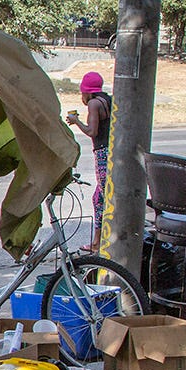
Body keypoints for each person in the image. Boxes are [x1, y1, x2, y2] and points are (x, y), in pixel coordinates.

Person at [66, 71, 112, 251]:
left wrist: (75, 121)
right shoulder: (107, 100)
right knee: (98, 198)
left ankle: (98, 243)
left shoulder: (94, 103)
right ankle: (97, 241)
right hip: (110, 152)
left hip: (103, 153)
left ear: (87, 91)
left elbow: (92, 131)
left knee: (102, 197)